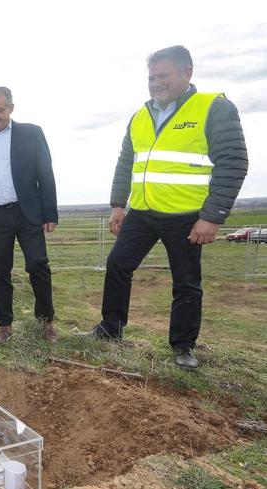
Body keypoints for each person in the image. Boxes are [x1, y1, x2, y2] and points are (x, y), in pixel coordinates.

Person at [83, 45, 248, 370]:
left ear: (187, 72)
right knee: (118, 263)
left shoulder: (213, 107)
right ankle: (110, 329)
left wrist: (211, 217)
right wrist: (118, 204)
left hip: (187, 216)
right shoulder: (140, 115)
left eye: (163, 76)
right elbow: (126, 161)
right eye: (151, 77)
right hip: (142, 212)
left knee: (186, 281)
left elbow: (234, 162)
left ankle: (183, 346)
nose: (155, 83)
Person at [0, 86, 59, 344]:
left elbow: (45, 173)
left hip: (28, 213)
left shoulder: (31, 133)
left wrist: (50, 213)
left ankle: (45, 322)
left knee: (38, 264)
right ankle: (4, 325)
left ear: (11, 108)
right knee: (0, 271)